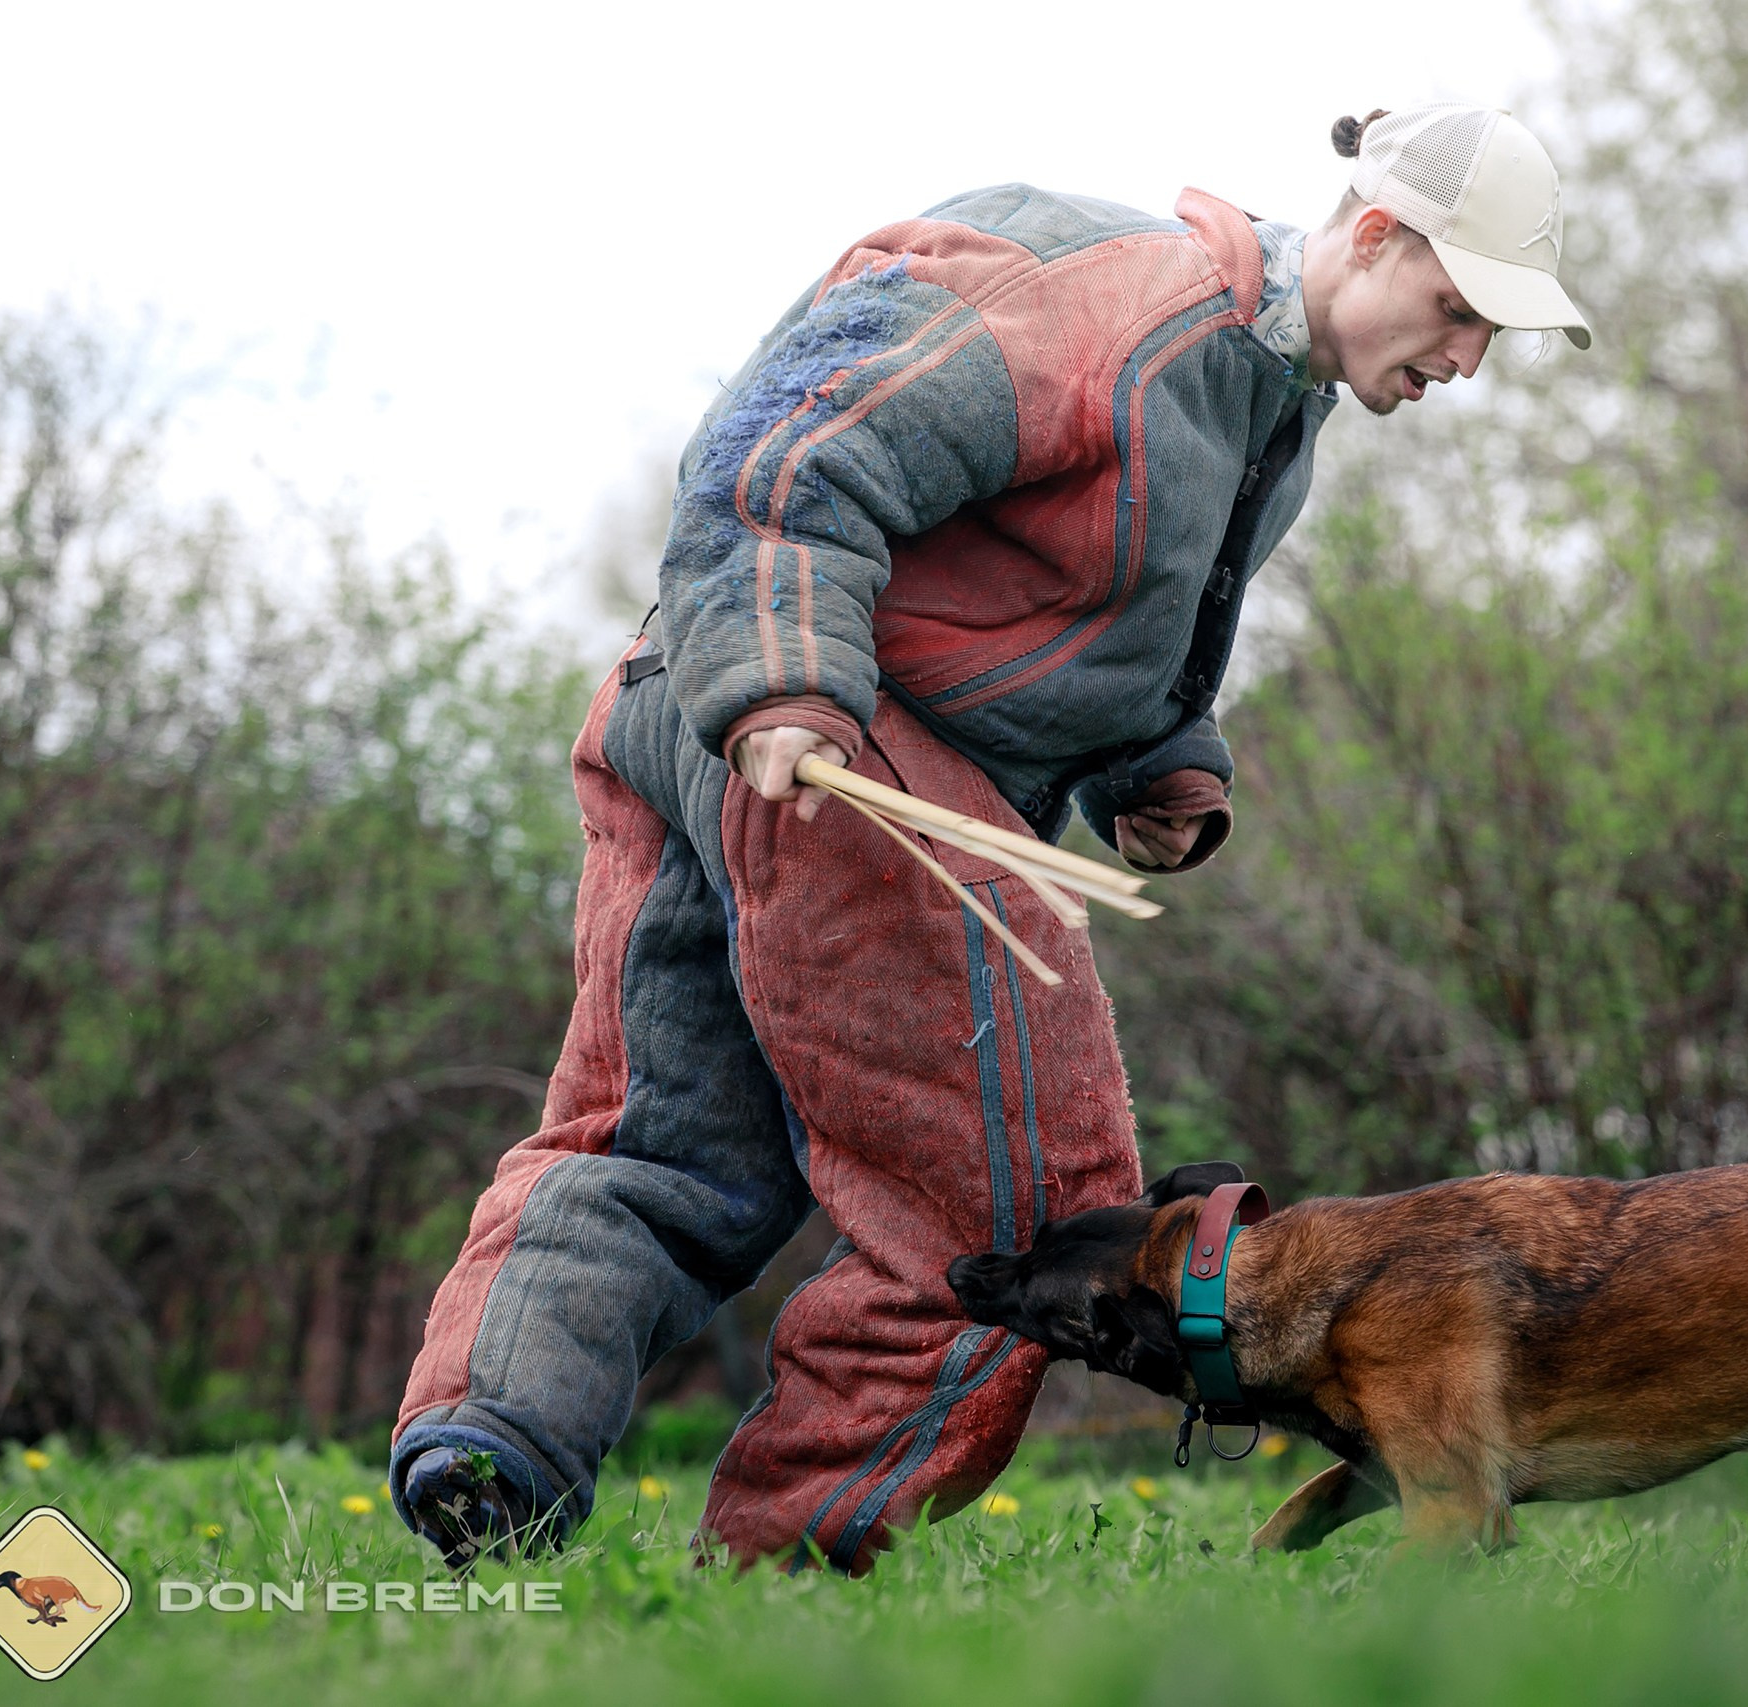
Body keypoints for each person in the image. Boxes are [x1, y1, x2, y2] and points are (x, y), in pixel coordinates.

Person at [387, 103, 1591, 1573]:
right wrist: (782, 673)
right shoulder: (1104, 296)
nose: (1465, 360)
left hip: (715, 705)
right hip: (825, 737)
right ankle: (794, 1565)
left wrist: (1163, 766)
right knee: (1023, 1209)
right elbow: (789, 441)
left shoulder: (1271, 403)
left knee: (665, 1145)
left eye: (1493, 338)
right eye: (1460, 309)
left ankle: (490, 1460)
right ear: (1380, 234)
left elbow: (1100, 620)